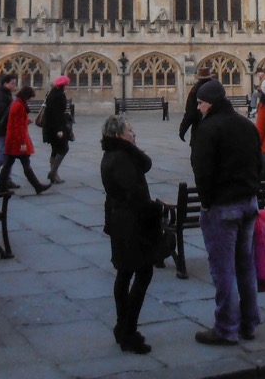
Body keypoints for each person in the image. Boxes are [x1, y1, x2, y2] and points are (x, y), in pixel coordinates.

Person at [190, 79, 262, 345]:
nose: (198, 108)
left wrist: (207, 202)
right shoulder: (246, 125)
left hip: (222, 208)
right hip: (248, 204)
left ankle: (226, 328)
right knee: (246, 266)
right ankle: (250, 323)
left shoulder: (208, 129)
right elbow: (259, 162)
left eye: (200, 103)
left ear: (210, 102)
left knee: (223, 270)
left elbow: (202, 172)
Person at [100, 115, 162, 355]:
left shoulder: (113, 155)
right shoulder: (121, 159)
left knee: (124, 273)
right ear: (118, 135)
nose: (134, 134)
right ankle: (129, 331)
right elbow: (134, 195)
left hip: (120, 222)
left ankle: (122, 326)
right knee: (143, 273)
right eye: (130, 131)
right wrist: (155, 210)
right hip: (132, 224)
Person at [0, 86, 51, 194]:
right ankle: (37, 186)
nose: (30, 100)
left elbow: (16, 122)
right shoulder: (19, 106)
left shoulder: (16, 103)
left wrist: (26, 122)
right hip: (17, 141)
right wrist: (22, 143)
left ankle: (1, 188)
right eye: (30, 97)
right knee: (25, 165)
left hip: (13, 140)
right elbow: (18, 127)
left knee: (8, 165)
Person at [41, 75, 73, 184]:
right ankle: (53, 172)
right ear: (63, 85)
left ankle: (54, 174)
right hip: (56, 127)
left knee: (55, 149)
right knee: (64, 148)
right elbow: (57, 114)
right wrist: (59, 130)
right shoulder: (59, 96)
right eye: (67, 85)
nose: (67, 87)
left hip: (49, 127)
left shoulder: (52, 93)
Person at [178, 63, 214, 144]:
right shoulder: (216, 88)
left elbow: (190, 112)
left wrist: (182, 130)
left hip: (200, 125)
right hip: (215, 125)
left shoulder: (195, 89)